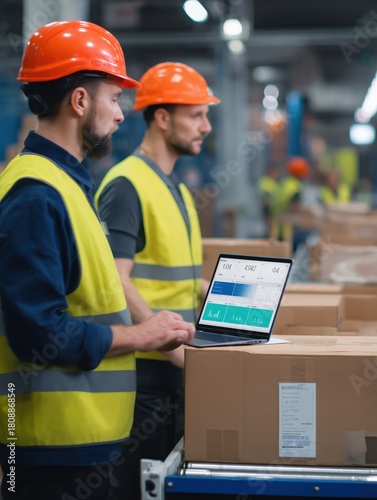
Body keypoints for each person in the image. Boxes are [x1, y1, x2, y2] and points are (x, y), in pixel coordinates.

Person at [0, 22, 195, 500]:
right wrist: (143, 335)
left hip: (74, 443)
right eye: (114, 98)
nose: (122, 114)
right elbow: (38, 335)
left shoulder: (65, 185)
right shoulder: (36, 196)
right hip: (44, 450)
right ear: (80, 101)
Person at [95, 61, 220, 499]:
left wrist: (223, 293)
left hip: (175, 366)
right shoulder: (127, 183)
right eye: (196, 115)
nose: (206, 126)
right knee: (139, 488)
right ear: (162, 117)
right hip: (145, 373)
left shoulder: (178, 189)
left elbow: (173, 275)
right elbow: (115, 276)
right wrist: (164, 341)